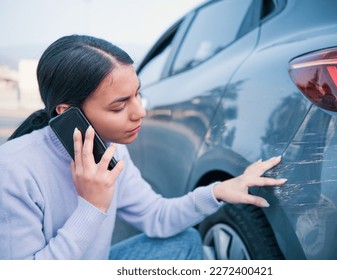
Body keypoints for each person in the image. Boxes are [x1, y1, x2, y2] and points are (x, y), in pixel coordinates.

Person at [0, 35, 286, 260]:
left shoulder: (111, 151)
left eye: (137, 94)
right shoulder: (14, 169)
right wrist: (93, 205)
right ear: (67, 113)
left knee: (184, 241)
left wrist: (217, 191)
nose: (139, 112)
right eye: (119, 105)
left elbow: (156, 217)